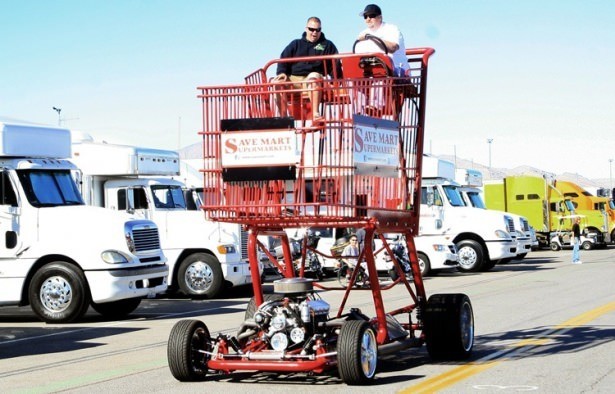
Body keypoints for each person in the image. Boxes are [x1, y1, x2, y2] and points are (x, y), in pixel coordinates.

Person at [274, 17, 341, 122]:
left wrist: (334, 81)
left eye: (317, 30)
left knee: (313, 77)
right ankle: (283, 118)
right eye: (311, 29)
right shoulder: (295, 44)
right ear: (306, 29)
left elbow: (335, 63)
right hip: (294, 80)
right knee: (277, 83)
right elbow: (283, 59)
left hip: (313, 79)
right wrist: (282, 73)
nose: (314, 33)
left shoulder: (327, 45)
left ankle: (315, 115)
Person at [356, 4, 410, 77]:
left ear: (380, 17)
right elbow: (357, 56)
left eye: (371, 16)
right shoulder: (362, 33)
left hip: (396, 73)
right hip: (371, 74)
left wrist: (371, 37)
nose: (368, 19)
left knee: (380, 85)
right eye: (365, 16)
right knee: (350, 83)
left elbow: (392, 48)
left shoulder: (391, 29)